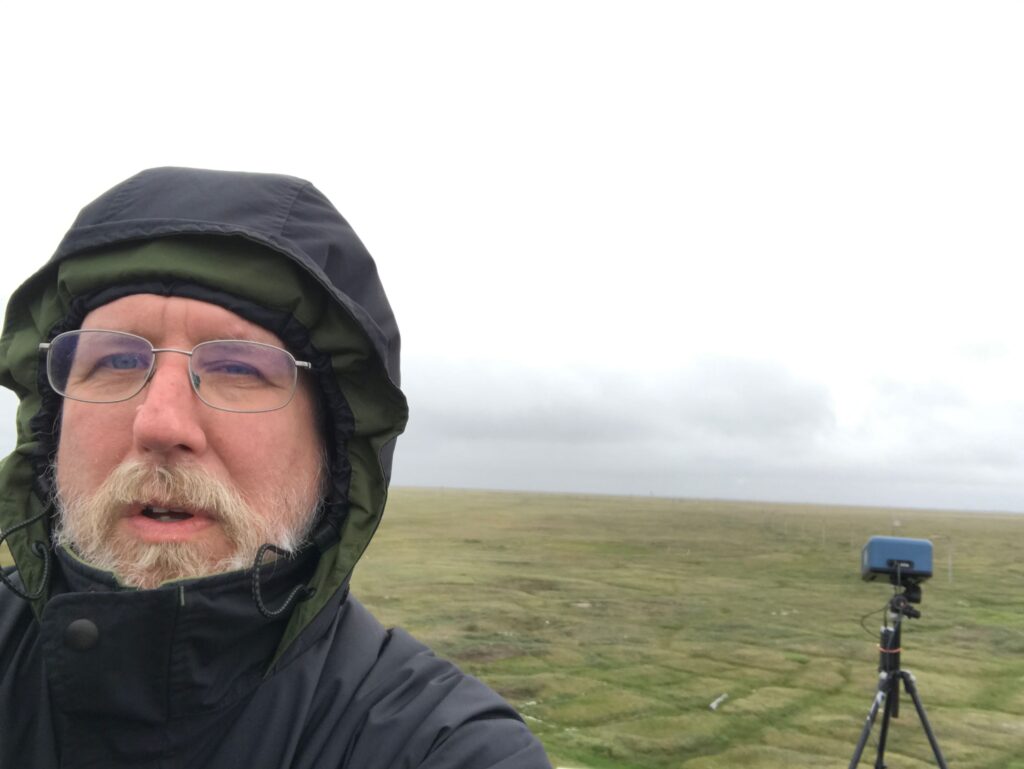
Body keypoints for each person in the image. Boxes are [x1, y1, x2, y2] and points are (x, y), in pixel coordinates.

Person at [0, 167, 551, 768]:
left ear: (335, 449)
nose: (160, 424)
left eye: (238, 368)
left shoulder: (437, 747)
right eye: (117, 360)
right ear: (50, 427)